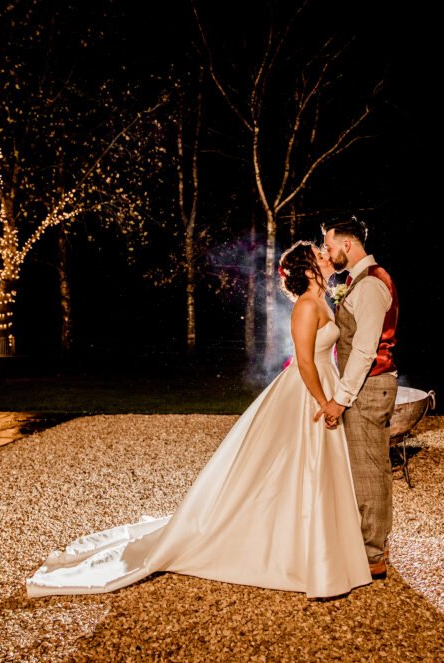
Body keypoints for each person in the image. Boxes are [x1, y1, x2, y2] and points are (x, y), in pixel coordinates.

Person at [25, 241, 371, 599]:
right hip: (307, 393)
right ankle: (304, 555)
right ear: (308, 268)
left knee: (316, 470)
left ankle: (324, 550)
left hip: (324, 385)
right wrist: (323, 401)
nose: (326, 256)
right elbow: (303, 362)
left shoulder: (324, 300)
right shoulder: (305, 307)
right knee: (302, 466)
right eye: (319, 254)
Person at [316, 217, 399, 580]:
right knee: (364, 467)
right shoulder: (359, 282)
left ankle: (373, 554)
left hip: (370, 385)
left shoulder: (370, 285)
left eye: (329, 245)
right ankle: (368, 544)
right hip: (366, 385)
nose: (327, 252)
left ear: (347, 246)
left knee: (370, 470)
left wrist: (340, 399)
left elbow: (365, 351)